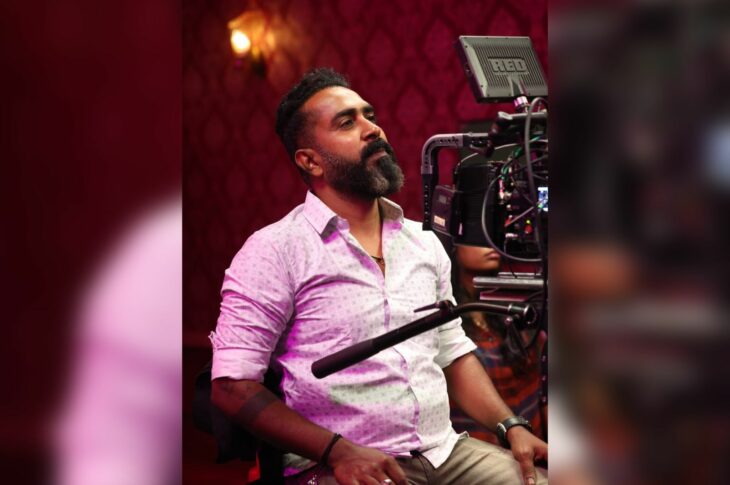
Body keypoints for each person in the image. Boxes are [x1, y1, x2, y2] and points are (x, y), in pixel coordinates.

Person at [208, 68, 547, 485]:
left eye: (369, 115)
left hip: (445, 453)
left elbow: (452, 354)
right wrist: (338, 452)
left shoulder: (424, 241)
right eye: (346, 122)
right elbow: (231, 386)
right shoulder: (275, 250)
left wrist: (511, 426)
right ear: (310, 160)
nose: (372, 128)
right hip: (339, 460)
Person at [449, 244, 547, 446]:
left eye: (494, 237)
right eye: (477, 237)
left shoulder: (518, 311)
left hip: (534, 445)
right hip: (481, 450)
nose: (490, 245)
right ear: (454, 244)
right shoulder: (449, 328)